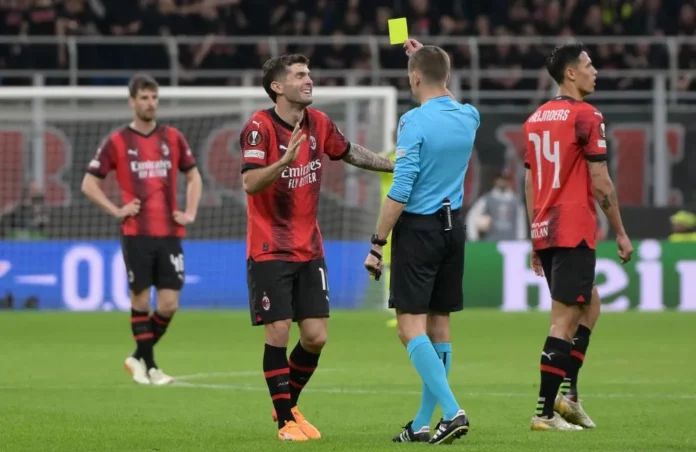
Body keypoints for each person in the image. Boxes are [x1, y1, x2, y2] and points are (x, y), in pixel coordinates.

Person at [239, 54, 394, 442]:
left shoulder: (318, 123)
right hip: (269, 248)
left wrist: (393, 166)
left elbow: (351, 152)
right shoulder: (259, 128)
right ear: (278, 87)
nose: (309, 80)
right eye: (300, 75)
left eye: (309, 73)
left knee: (315, 337)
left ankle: (287, 404)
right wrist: (284, 161)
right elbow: (250, 183)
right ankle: (285, 421)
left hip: (310, 249)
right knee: (277, 332)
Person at [364, 39, 478, 445]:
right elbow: (445, 92)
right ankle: (421, 422)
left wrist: (378, 243)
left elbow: (400, 189)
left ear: (414, 78)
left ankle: (452, 411)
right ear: (446, 77)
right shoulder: (469, 116)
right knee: (439, 326)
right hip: (454, 229)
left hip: (420, 230)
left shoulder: (413, 122)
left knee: (410, 329)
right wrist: (427, 58)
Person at [522, 43, 633, 431]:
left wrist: (534, 234)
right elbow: (601, 182)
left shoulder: (535, 118)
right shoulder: (587, 116)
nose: (595, 70)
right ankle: (544, 412)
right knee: (564, 321)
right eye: (588, 65)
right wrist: (620, 231)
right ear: (570, 73)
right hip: (572, 227)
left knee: (591, 305)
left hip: (547, 226)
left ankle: (569, 396)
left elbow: (530, 179)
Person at [81, 74, 202, 385]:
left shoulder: (173, 138)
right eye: (144, 98)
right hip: (137, 233)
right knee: (140, 300)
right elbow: (88, 184)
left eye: (154, 97)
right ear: (132, 102)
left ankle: (137, 357)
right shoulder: (117, 141)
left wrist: (189, 212)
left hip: (170, 232)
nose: (150, 103)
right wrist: (117, 210)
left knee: (169, 303)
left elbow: (194, 177)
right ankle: (150, 367)